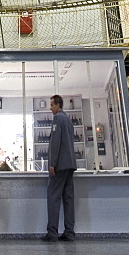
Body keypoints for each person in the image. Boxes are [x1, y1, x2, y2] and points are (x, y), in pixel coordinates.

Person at [42, 94, 77, 241]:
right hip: (70, 164)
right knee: (68, 198)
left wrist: (52, 164)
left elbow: (55, 143)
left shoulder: (57, 119)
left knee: (53, 197)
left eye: (51, 105)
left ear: (58, 105)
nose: (50, 108)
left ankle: (52, 233)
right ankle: (69, 232)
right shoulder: (68, 119)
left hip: (60, 165)